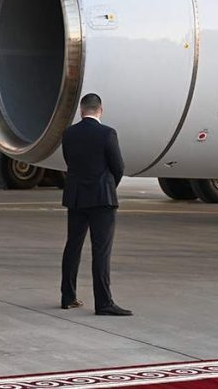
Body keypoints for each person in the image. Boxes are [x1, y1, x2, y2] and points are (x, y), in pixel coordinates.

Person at [60, 93, 132, 316]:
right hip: (102, 199)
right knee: (101, 251)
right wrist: (109, 186)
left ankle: (68, 297)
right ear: (101, 110)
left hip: (76, 198)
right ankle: (103, 303)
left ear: (81, 111)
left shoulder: (69, 133)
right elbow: (118, 167)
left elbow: (69, 162)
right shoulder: (107, 133)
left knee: (73, 247)